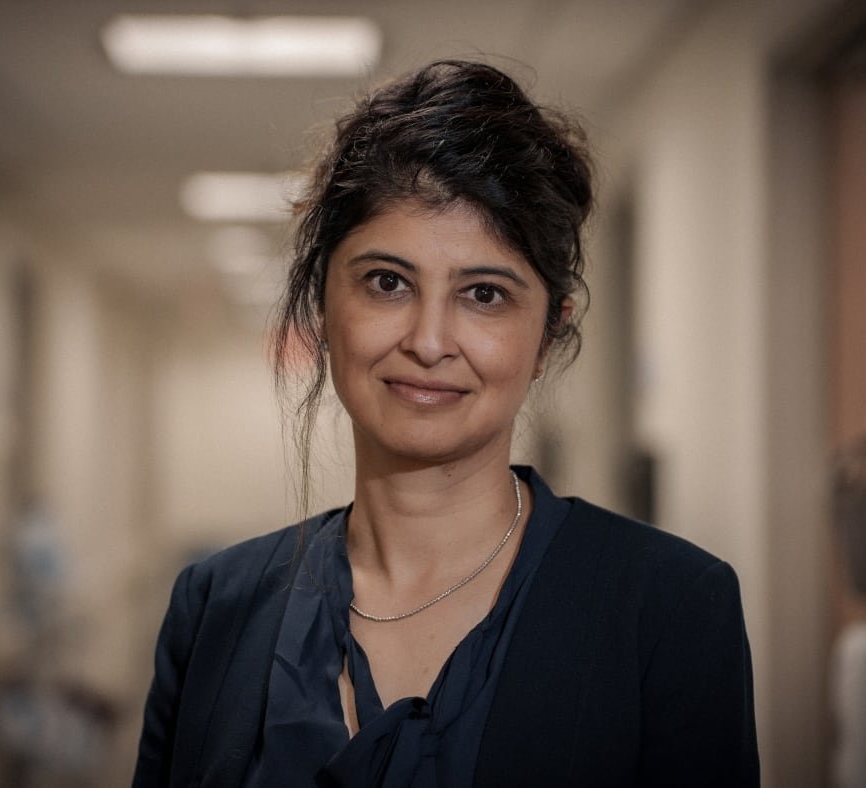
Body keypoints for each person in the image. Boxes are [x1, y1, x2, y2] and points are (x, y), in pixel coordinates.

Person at [133, 60, 758, 787]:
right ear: (323, 308)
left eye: (484, 294)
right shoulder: (215, 606)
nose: (429, 342)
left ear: (548, 335)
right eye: (387, 282)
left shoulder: (671, 607)